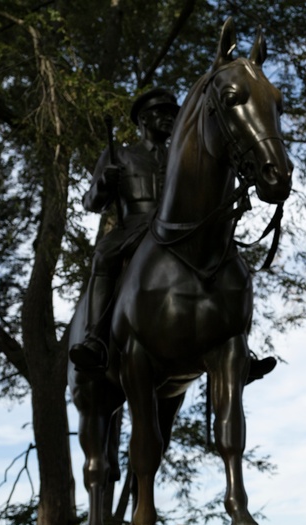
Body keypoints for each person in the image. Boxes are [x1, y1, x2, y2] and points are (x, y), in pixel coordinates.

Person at [70, 87, 276, 380]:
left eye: (172, 114)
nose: (169, 119)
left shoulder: (184, 155)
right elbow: (92, 203)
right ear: (143, 119)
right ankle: (95, 339)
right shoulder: (121, 154)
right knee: (103, 257)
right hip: (133, 227)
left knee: (229, 263)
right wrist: (104, 182)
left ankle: (239, 346)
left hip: (177, 229)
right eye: (161, 113)